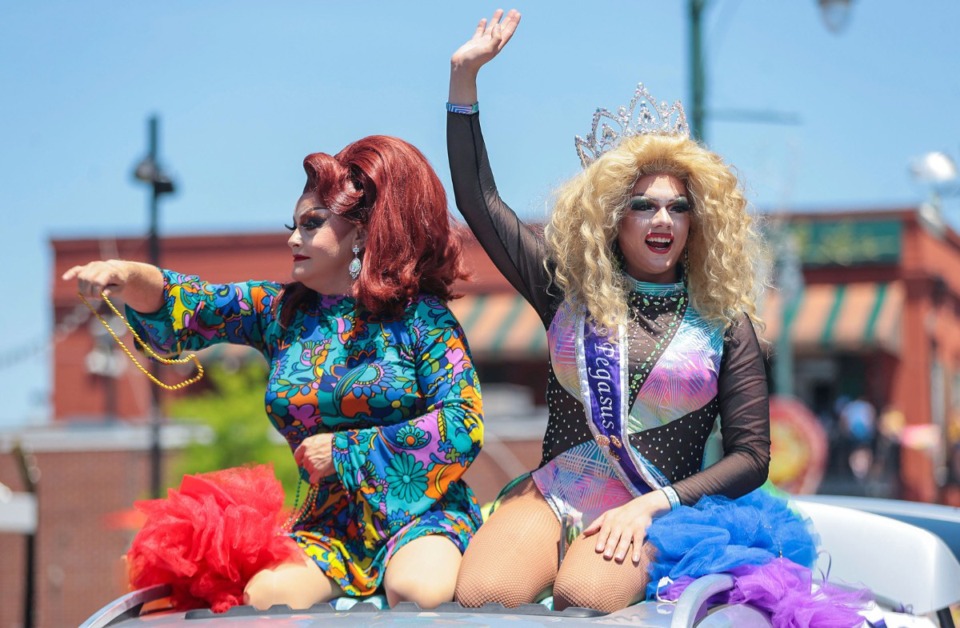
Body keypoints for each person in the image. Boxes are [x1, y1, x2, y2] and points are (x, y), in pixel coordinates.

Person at [444, 11, 860, 619]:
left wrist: (653, 504)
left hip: (655, 505)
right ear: (613, 216)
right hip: (552, 495)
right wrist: (464, 80)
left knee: (585, 597)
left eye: (677, 207)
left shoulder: (725, 321)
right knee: (483, 596)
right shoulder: (567, 290)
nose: (661, 219)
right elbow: (478, 200)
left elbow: (751, 458)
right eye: (642, 205)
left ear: (699, 222)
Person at [63, 135, 484, 611]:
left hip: (419, 516)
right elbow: (194, 305)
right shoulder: (280, 311)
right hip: (327, 529)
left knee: (417, 592)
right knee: (263, 599)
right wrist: (127, 274)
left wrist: (347, 451)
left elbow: (463, 423)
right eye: (294, 225)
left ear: (364, 233)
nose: (292, 238)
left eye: (312, 224)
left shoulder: (424, 320)